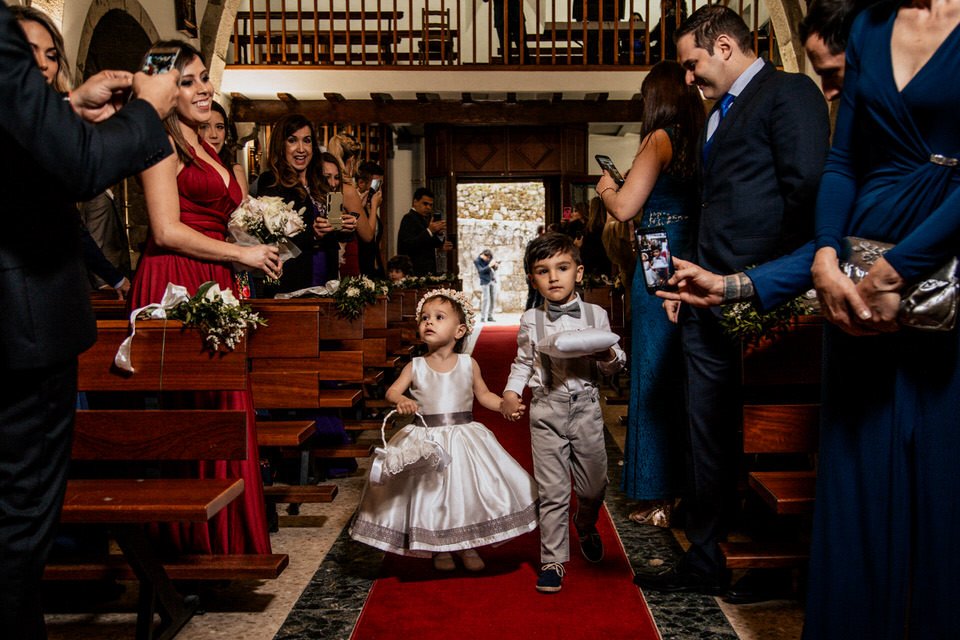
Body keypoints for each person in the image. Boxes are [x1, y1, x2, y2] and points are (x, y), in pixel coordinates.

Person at [633, 5, 831, 601]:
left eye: (692, 62)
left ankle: (773, 559)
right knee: (707, 435)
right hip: (707, 300)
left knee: (772, 432)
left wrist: (759, 281)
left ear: (723, 46)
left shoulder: (788, 93)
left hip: (766, 298)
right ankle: (708, 557)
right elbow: (714, 209)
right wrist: (688, 285)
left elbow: (808, 198)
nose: (687, 77)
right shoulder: (716, 113)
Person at [0, 3, 179, 636]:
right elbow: (70, 166)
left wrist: (68, 111)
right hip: (18, 330)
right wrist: (148, 109)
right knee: (17, 532)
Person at [800, 2, 960, 637]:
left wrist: (900, 271)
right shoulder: (869, 26)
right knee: (856, 485)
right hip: (858, 283)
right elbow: (845, 160)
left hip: (941, 280)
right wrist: (825, 255)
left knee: (944, 489)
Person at [128, 40, 279, 555]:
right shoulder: (157, 138)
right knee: (192, 415)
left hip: (214, 277)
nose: (203, 88)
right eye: (188, 80)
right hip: (175, 279)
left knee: (226, 407)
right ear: (162, 86)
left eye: (202, 78)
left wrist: (257, 243)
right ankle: (187, 544)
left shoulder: (203, 142)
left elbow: (219, 215)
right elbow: (166, 230)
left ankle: (226, 539)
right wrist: (241, 256)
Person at [350, 289, 538, 571]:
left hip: (463, 436)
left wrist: (503, 406)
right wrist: (402, 400)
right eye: (424, 317)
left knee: (465, 494)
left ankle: (469, 544)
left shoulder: (467, 363)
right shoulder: (415, 366)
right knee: (431, 496)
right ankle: (440, 549)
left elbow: (483, 394)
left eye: (439, 317)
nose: (429, 322)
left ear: (459, 330)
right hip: (427, 440)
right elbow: (391, 392)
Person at [595, 60, 704, 526]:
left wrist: (606, 190)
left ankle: (658, 492)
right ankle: (683, 485)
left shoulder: (660, 138)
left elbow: (625, 208)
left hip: (658, 256)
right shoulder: (702, 137)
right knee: (681, 374)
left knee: (653, 372)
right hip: (692, 255)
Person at [501, 232, 626, 593]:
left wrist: (607, 357)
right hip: (546, 410)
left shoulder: (596, 314)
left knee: (594, 486)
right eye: (543, 271)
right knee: (553, 491)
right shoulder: (529, 319)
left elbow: (615, 365)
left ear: (579, 272)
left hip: (586, 409)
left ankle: (585, 523)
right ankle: (553, 560)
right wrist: (511, 392)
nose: (554, 277)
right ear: (532, 278)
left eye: (562, 268)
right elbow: (523, 362)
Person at [256, 116, 355, 293]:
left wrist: (345, 227)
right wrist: (313, 234)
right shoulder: (271, 181)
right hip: (293, 277)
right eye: (292, 140)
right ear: (281, 144)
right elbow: (271, 234)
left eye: (307, 141)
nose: (301, 149)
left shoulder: (322, 181)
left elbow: (334, 225)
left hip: (327, 275)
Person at [199, 100, 248, 196]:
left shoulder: (236, 170)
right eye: (204, 126)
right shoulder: (182, 168)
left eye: (219, 127)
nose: (214, 135)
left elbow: (243, 209)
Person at [397, 187, 445, 275]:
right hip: (415, 270)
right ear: (415, 202)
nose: (428, 207)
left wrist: (439, 234)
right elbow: (408, 245)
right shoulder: (408, 218)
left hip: (427, 270)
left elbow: (432, 243)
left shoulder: (425, 219)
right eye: (425, 204)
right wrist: (429, 231)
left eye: (431, 205)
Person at [355, 160, 385, 277]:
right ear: (361, 183)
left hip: (375, 268)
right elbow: (368, 236)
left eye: (380, 184)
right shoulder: (354, 205)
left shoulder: (371, 205)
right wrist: (373, 207)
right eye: (376, 184)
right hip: (360, 268)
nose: (379, 190)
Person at [579, 196, 612, 277]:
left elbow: (588, 254)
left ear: (594, 210)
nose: (588, 210)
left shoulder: (590, 230)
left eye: (590, 208)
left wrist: (578, 246)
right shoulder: (609, 227)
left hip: (593, 270)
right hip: (607, 267)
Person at [475, 249, 499, 322]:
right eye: (487, 258)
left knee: (493, 299)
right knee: (485, 299)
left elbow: (494, 268)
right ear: (483, 255)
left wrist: (496, 266)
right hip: (484, 281)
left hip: (492, 279)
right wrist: (489, 266)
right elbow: (481, 271)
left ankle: (490, 316)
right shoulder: (477, 261)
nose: (488, 259)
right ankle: (482, 317)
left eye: (489, 258)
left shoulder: (489, 258)